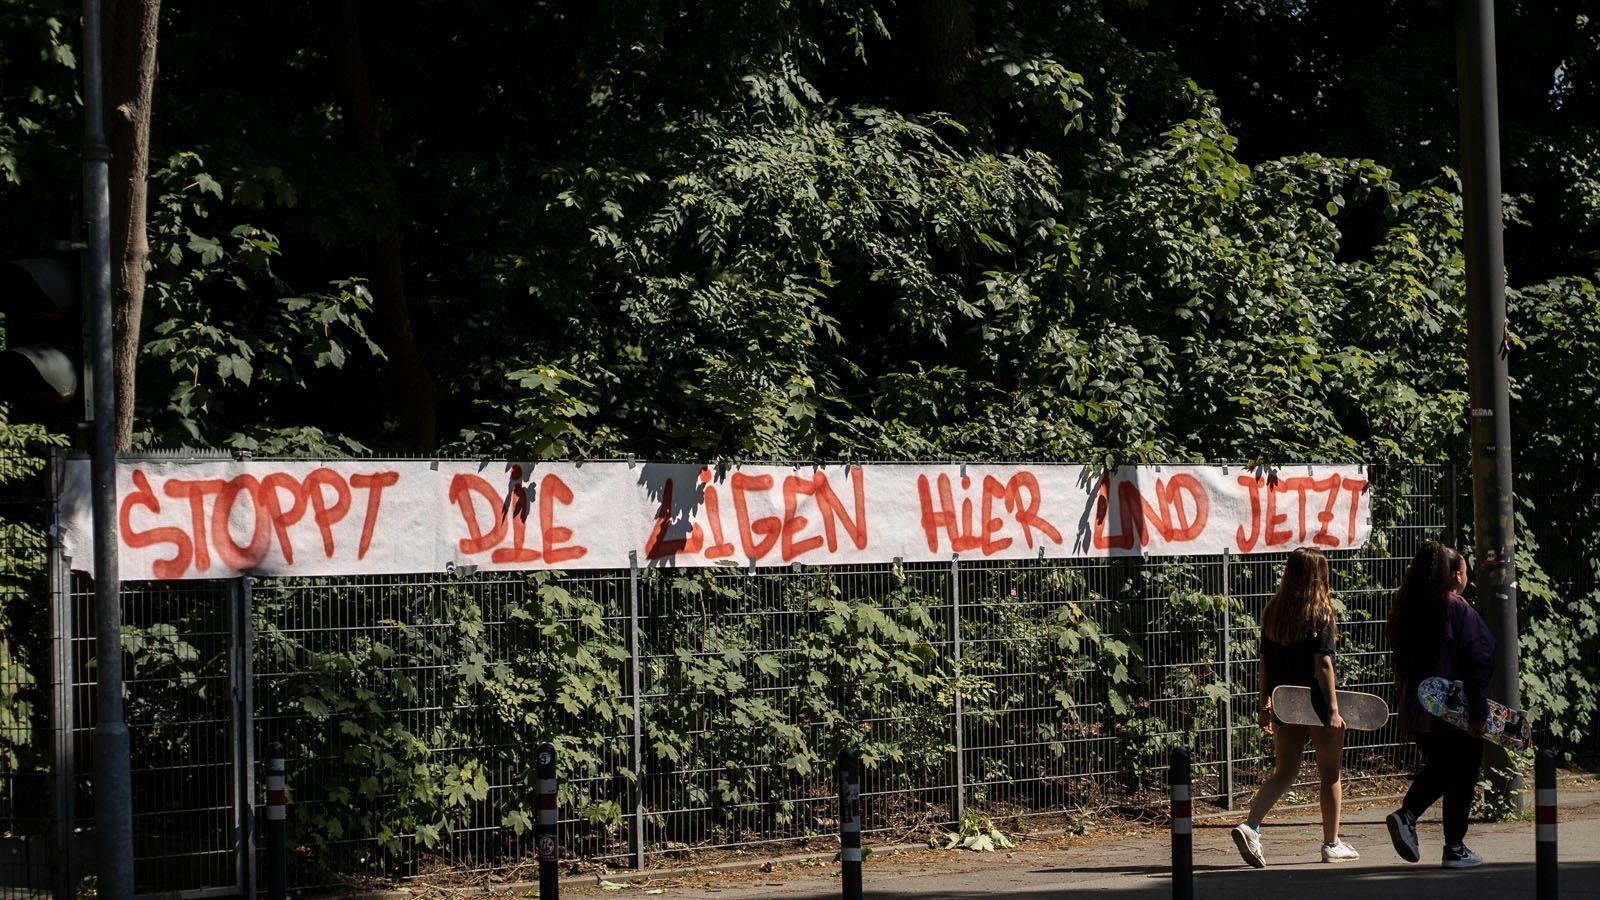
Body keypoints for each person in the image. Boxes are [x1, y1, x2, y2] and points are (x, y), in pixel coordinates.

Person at [1232, 547, 1357, 867]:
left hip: (1286, 702)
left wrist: (1264, 705)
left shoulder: (1274, 612)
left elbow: (1265, 666)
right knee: (1330, 773)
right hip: (1315, 703)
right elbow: (1324, 665)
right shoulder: (1321, 613)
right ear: (1319, 575)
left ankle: (1251, 826)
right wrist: (1332, 709)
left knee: (1285, 772)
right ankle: (1331, 843)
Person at [1384, 540, 1494, 869]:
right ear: (1455, 574)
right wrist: (1478, 712)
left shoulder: (1410, 607)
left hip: (1417, 707)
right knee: (1460, 770)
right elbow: (1478, 660)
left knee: (1447, 769)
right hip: (1451, 711)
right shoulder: (1456, 608)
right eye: (1464, 570)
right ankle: (1417, 819)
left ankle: (1450, 843)